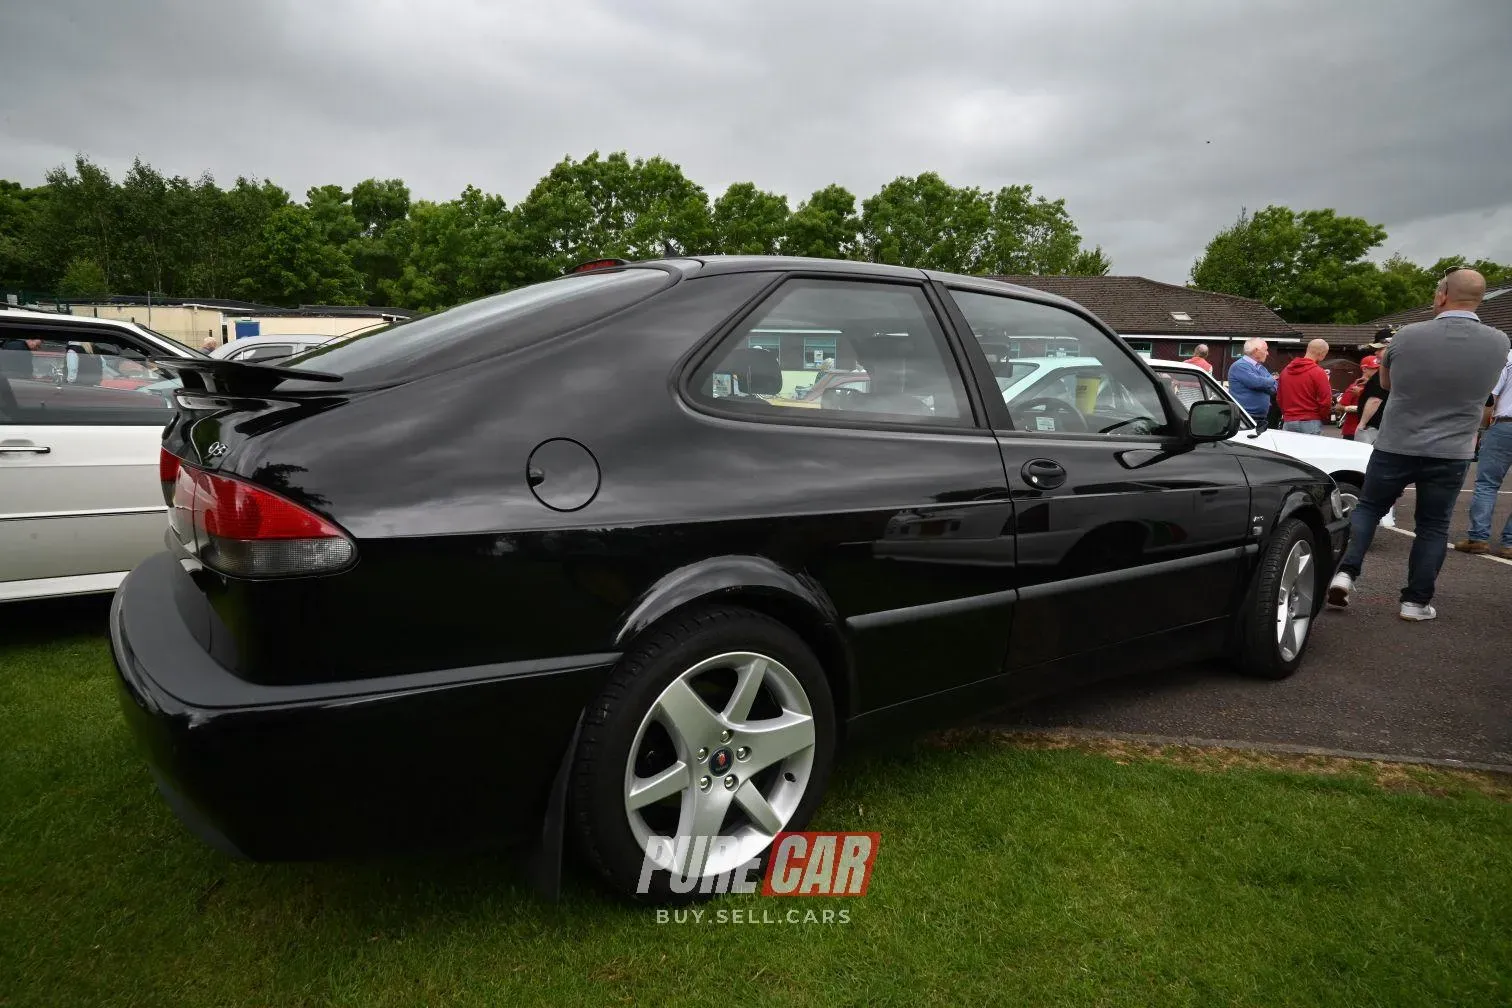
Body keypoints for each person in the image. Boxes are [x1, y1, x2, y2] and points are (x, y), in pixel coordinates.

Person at [1328, 269, 1511, 621]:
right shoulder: (1499, 342)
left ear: (1443, 295)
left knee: (1368, 509)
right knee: (1432, 525)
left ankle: (1345, 573)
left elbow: (1386, 384)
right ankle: (1415, 602)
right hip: (1452, 450)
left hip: (1397, 441)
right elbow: (1488, 391)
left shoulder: (1407, 336)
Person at [1453, 348, 1512, 557]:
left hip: (1506, 425)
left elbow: (1491, 398)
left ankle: (1479, 538)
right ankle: (1510, 543)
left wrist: (1482, 428)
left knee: (1487, 483)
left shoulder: (1509, 358)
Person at [1276, 338, 1332, 434]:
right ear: (1321, 353)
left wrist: (1288, 414)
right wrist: (1322, 416)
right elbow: (1326, 400)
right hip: (1310, 421)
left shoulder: (1285, 371)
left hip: (1289, 421)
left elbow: (1279, 398)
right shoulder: (1318, 372)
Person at [1227, 338, 1278, 429]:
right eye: (1265, 350)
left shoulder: (1262, 368)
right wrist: (1272, 379)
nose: (1267, 353)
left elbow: (1274, 388)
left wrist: (1266, 382)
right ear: (1256, 351)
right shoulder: (1239, 366)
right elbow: (1257, 383)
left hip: (1260, 418)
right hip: (1244, 418)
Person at [1337, 357, 1379, 439]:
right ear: (1364, 369)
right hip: (1353, 431)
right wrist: (1356, 408)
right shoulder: (1356, 386)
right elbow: (1339, 407)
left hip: (1372, 431)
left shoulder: (1379, 386)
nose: (1378, 371)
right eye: (1375, 368)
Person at [1354, 355, 1390, 445]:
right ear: (1364, 369)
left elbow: (1375, 400)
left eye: (1377, 368)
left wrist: (1362, 424)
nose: (1376, 370)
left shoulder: (1379, 377)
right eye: (1373, 368)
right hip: (1378, 426)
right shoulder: (1373, 380)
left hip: (1373, 426)